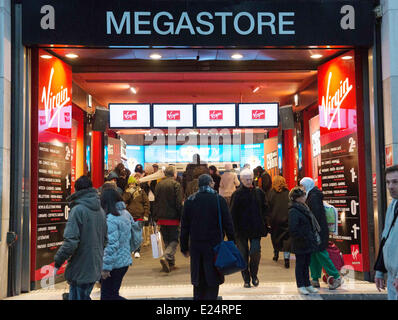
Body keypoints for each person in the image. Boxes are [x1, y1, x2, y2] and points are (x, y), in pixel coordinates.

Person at [180, 174, 235, 300]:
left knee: (198, 280)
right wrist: (232, 241)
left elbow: (184, 227)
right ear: (210, 184)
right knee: (213, 279)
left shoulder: (190, 201)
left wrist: (184, 247)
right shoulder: (218, 200)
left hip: (196, 246)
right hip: (214, 245)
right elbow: (228, 222)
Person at [54, 175, 108, 300]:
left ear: (76, 190)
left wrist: (58, 262)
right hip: (95, 265)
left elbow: (70, 242)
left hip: (80, 267)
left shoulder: (78, 210)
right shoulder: (100, 211)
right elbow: (105, 240)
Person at [300, 177, 342, 290]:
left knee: (321, 253)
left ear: (307, 185)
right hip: (316, 230)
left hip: (318, 230)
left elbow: (315, 215)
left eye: (303, 185)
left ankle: (336, 277)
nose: (302, 188)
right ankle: (314, 278)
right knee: (314, 253)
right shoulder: (312, 194)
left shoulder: (313, 197)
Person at [230, 168, 270, 288]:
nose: (249, 181)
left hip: (256, 228)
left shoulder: (259, 192)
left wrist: (265, 222)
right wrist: (232, 231)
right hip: (241, 230)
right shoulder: (236, 194)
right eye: (246, 179)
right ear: (241, 180)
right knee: (243, 255)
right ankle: (246, 279)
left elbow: (265, 208)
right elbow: (232, 213)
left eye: (250, 179)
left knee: (255, 253)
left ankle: (254, 275)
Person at [100, 188, 135, 300]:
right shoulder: (126, 214)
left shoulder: (110, 219)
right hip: (123, 261)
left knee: (107, 296)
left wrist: (106, 268)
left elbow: (111, 245)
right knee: (112, 294)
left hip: (113, 264)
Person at [288, 187, 321, 295]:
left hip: (307, 240)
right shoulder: (293, 210)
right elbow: (293, 228)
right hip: (300, 242)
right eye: (302, 196)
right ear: (297, 198)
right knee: (300, 264)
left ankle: (307, 284)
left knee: (306, 264)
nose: (304, 197)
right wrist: (303, 236)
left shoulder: (304, 207)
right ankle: (301, 285)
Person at [153, 166, 184, 272]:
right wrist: (181, 215)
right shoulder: (176, 185)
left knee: (167, 240)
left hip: (161, 217)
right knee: (174, 240)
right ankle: (166, 256)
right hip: (173, 217)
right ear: (174, 174)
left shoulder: (158, 185)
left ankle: (171, 264)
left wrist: (156, 217)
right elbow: (178, 202)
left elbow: (156, 201)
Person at [375, 165, 398, 300]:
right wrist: (379, 271)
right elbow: (385, 239)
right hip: (391, 276)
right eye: (388, 182)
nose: (390, 186)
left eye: (395, 182)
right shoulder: (393, 205)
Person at [122, 175, 150, 258]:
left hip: (139, 215)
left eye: (133, 183)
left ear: (135, 184)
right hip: (129, 216)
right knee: (130, 234)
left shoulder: (141, 192)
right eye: (130, 184)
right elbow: (123, 200)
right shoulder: (126, 192)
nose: (131, 185)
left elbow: (146, 203)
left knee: (138, 234)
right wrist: (129, 193)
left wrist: (146, 214)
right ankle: (132, 248)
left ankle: (137, 250)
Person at [268, 175, 291, 268]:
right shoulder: (288, 193)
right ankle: (286, 259)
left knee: (275, 237)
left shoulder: (271, 193)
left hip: (275, 220)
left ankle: (276, 254)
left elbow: (268, 207)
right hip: (286, 219)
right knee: (287, 240)